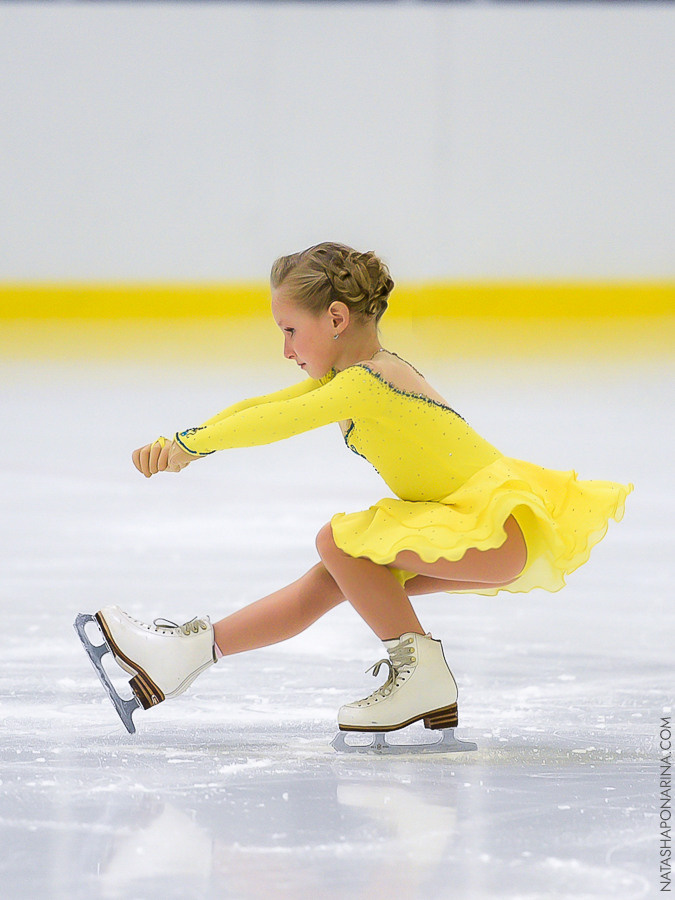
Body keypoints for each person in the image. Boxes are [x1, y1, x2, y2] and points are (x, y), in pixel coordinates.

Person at [84, 242, 632, 744]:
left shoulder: (369, 382)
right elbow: (261, 408)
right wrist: (183, 439)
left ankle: (424, 679)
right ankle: (183, 656)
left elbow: (279, 423)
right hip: (484, 530)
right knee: (334, 577)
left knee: (340, 543)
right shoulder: (356, 378)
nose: (285, 349)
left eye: (291, 331)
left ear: (337, 318)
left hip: (492, 528)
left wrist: (190, 445)